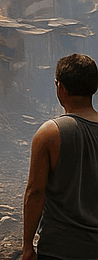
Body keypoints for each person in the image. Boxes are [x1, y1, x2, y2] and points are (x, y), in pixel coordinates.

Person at [22, 53, 98, 260]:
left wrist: (27, 246)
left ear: (61, 88)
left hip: (58, 249)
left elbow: (35, 192)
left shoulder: (49, 134)